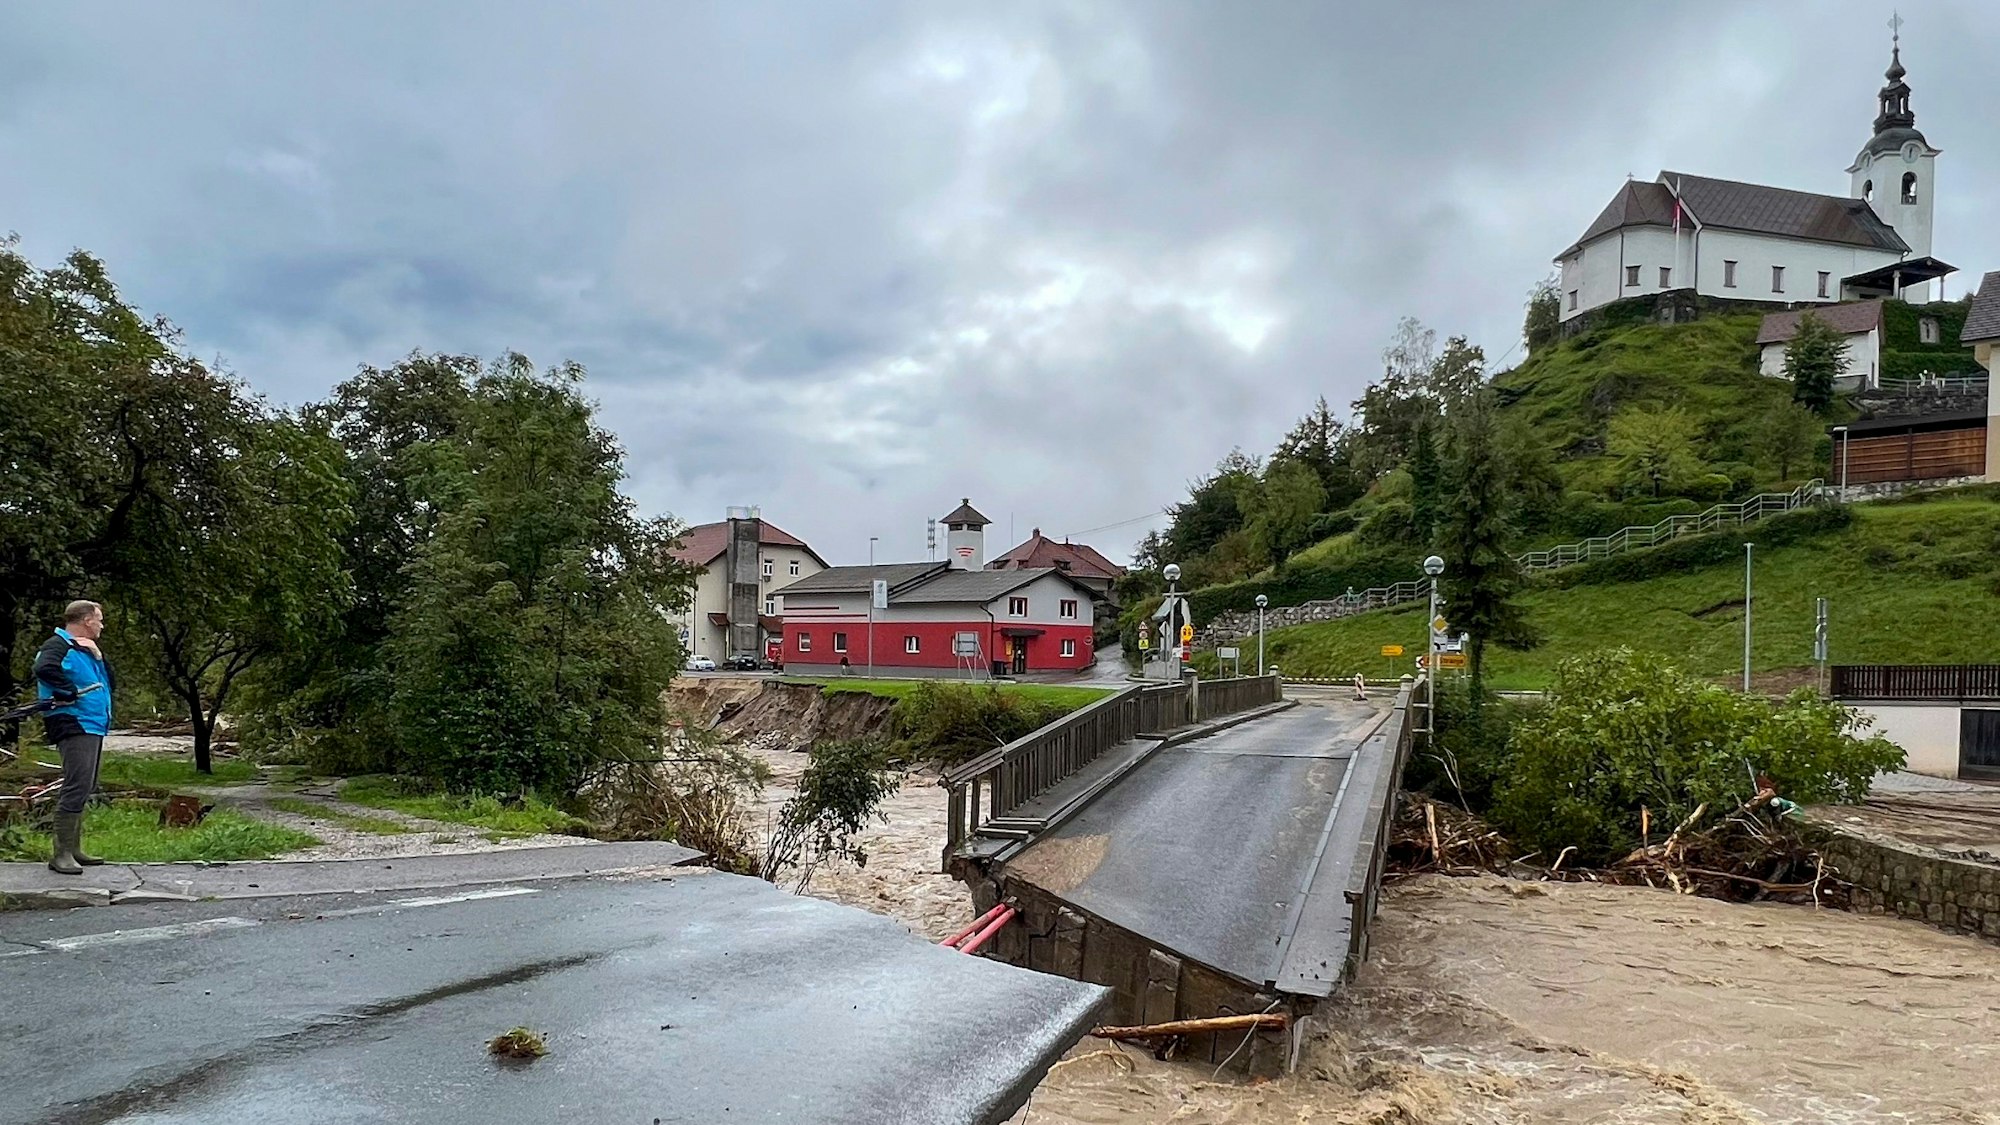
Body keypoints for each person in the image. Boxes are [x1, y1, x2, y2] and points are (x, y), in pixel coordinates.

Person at [33, 600, 115, 875]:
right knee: (76, 784)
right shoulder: (58, 645)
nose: (102, 625)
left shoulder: (83, 650)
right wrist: (67, 691)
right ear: (86, 620)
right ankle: (62, 854)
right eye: (99, 620)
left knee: (86, 784)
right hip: (74, 722)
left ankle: (74, 849)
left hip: (92, 723)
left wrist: (98, 656)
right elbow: (44, 668)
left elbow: (109, 682)